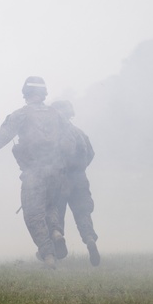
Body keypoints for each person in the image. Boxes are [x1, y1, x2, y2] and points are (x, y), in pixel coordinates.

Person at [0, 77, 73, 269]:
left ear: (25, 93)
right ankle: (56, 231)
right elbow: (70, 141)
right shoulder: (57, 114)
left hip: (34, 173)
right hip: (57, 172)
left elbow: (1, 138)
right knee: (51, 207)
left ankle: (48, 255)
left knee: (33, 215)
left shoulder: (21, 114)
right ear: (44, 93)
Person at [51, 100, 101, 266]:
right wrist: (79, 170)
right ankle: (89, 240)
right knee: (83, 214)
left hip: (59, 180)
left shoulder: (51, 134)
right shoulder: (78, 132)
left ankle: (57, 236)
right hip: (79, 179)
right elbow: (91, 153)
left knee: (55, 213)